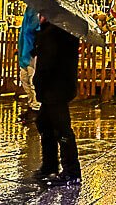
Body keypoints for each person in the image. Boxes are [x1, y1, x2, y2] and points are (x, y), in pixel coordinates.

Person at [32, 14, 81, 186]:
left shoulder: (52, 34)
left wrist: (37, 82)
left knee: (62, 129)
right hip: (60, 88)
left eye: (41, 14)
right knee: (44, 124)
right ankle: (49, 165)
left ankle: (72, 171)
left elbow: (47, 63)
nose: (39, 17)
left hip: (53, 89)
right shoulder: (67, 33)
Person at [17, 6, 40, 121]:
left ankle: (36, 108)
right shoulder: (28, 13)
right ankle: (31, 105)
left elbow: (35, 32)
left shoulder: (38, 15)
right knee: (25, 80)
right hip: (24, 53)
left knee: (32, 81)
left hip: (31, 54)